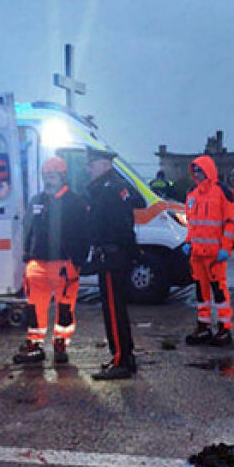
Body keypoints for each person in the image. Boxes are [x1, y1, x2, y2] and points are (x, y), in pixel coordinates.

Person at [13, 156, 90, 365]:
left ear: (62, 177)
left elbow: (85, 234)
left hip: (65, 265)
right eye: (46, 175)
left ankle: (61, 344)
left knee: (65, 308)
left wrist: (78, 261)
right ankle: (35, 345)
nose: (49, 179)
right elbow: (27, 230)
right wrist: (27, 256)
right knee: (34, 308)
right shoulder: (36, 201)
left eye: (53, 175)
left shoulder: (75, 202)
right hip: (37, 265)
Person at [83, 147, 140, 380]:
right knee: (117, 310)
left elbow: (117, 228)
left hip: (111, 257)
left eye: (92, 164)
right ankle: (125, 356)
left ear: (105, 165)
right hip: (116, 256)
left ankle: (120, 361)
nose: (88, 169)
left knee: (114, 312)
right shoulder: (115, 187)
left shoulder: (108, 190)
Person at [182, 155, 234, 347]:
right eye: (195, 171)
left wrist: (226, 248)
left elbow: (231, 223)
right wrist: (188, 242)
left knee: (219, 291)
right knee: (201, 292)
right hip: (197, 253)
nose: (197, 175)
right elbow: (192, 224)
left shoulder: (222, 192)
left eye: (200, 171)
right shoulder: (192, 194)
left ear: (208, 171)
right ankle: (203, 326)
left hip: (215, 254)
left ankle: (225, 328)